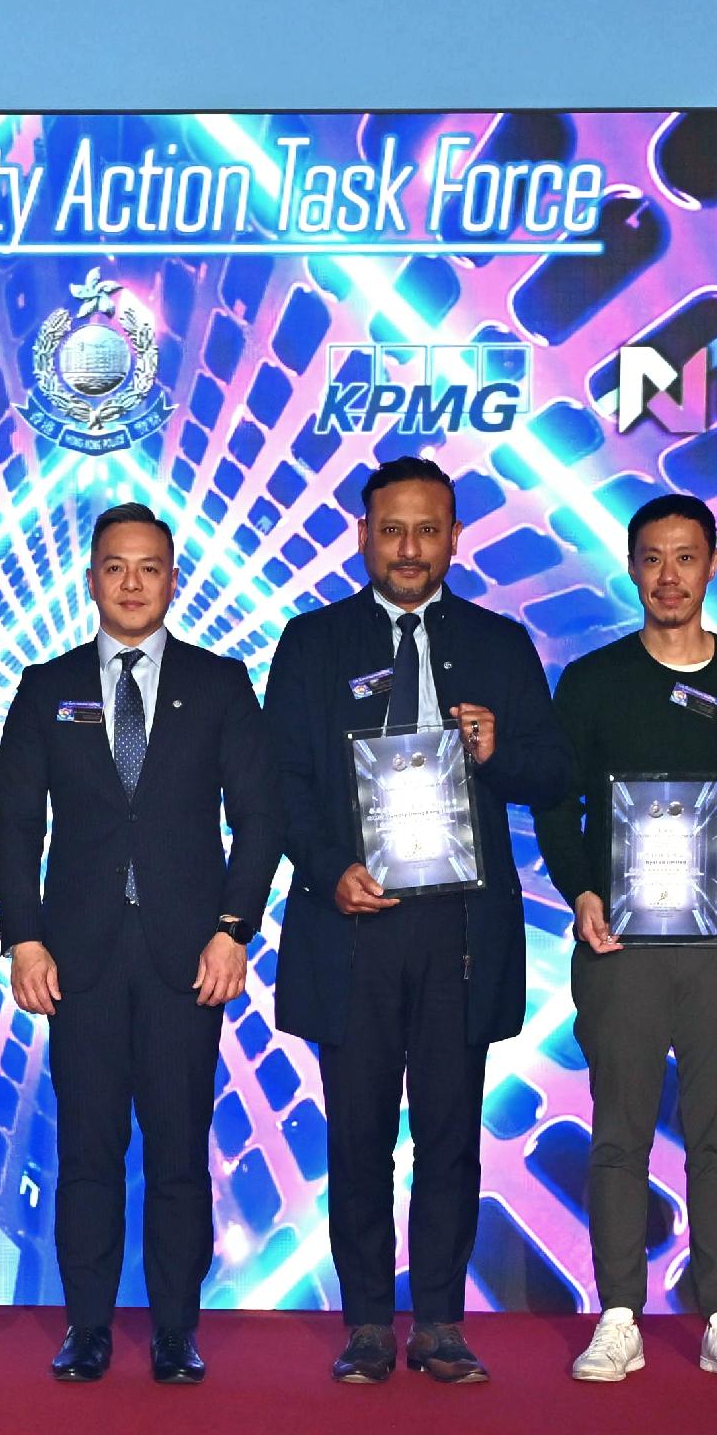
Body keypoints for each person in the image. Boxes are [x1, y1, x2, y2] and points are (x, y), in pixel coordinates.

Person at [263, 456, 565, 1384]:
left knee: (449, 1133)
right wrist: (330, 871)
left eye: (427, 530)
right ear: (363, 536)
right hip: (351, 923)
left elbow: (553, 774)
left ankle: (438, 1319)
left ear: (454, 538)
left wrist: (499, 749)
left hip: (460, 932)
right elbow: (282, 783)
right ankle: (365, 1322)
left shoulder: (499, 643)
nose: (408, 549)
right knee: (357, 1136)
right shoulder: (313, 643)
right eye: (391, 530)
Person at [0, 503, 282, 1384]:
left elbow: (261, 818)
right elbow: (15, 825)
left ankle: (175, 1330)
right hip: (76, 957)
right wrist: (25, 939)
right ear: (90, 579)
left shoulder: (220, 682)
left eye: (149, 567)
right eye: (115, 567)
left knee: (179, 1151)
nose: (131, 583)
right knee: (85, 1151)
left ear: (172, 579)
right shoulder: (45, 685)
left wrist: (233, 930)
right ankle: (85, 1327)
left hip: (187, 957)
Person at [534, 489, 717, 1384]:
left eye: (686, 557)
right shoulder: (592, 681)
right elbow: (558, 804)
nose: (669, 576)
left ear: (713, 564)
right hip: (622, 938)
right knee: (619, 1128)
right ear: (632, 568)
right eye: (652, 558)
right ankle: (618, 1314)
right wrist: (581, 889)